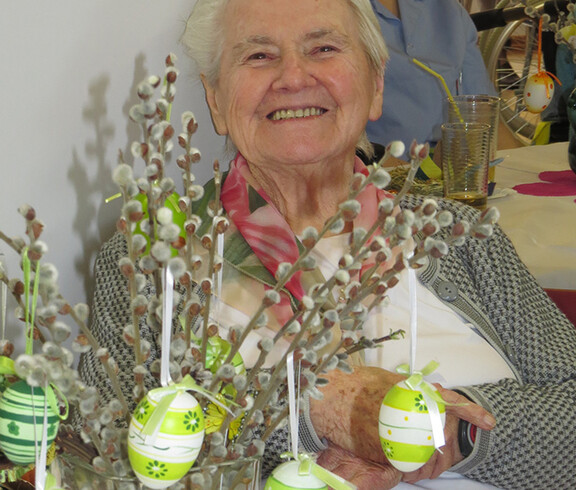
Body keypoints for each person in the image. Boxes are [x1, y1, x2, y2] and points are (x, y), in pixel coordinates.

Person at [84, 0, 576, 488]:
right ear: (216, 100)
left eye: (323, 48)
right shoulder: (155, 260)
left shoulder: (457, 235)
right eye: (258, 56)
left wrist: (455, 432)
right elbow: (110, 446)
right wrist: (313, 413)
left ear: (376, 85)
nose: (293, 77)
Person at [367, 0, 521, 155]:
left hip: (451, 166)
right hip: (379, 168)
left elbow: (485, 119)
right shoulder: (348, 14)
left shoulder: (448, 12)